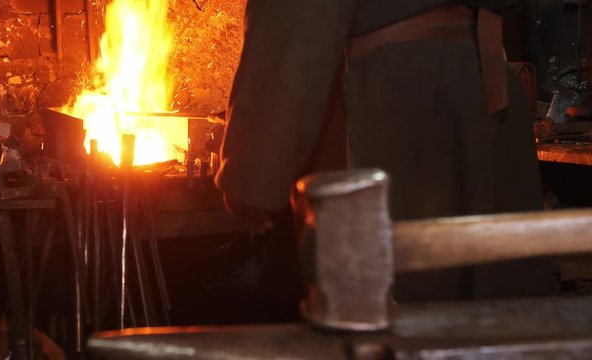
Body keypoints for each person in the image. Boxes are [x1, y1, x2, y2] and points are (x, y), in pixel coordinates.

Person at [215, 0, 556, 301]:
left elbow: (295, 25)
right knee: (498, 302)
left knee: (408, 298)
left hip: (408, 90)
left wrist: (253, 175)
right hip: (489, 85)